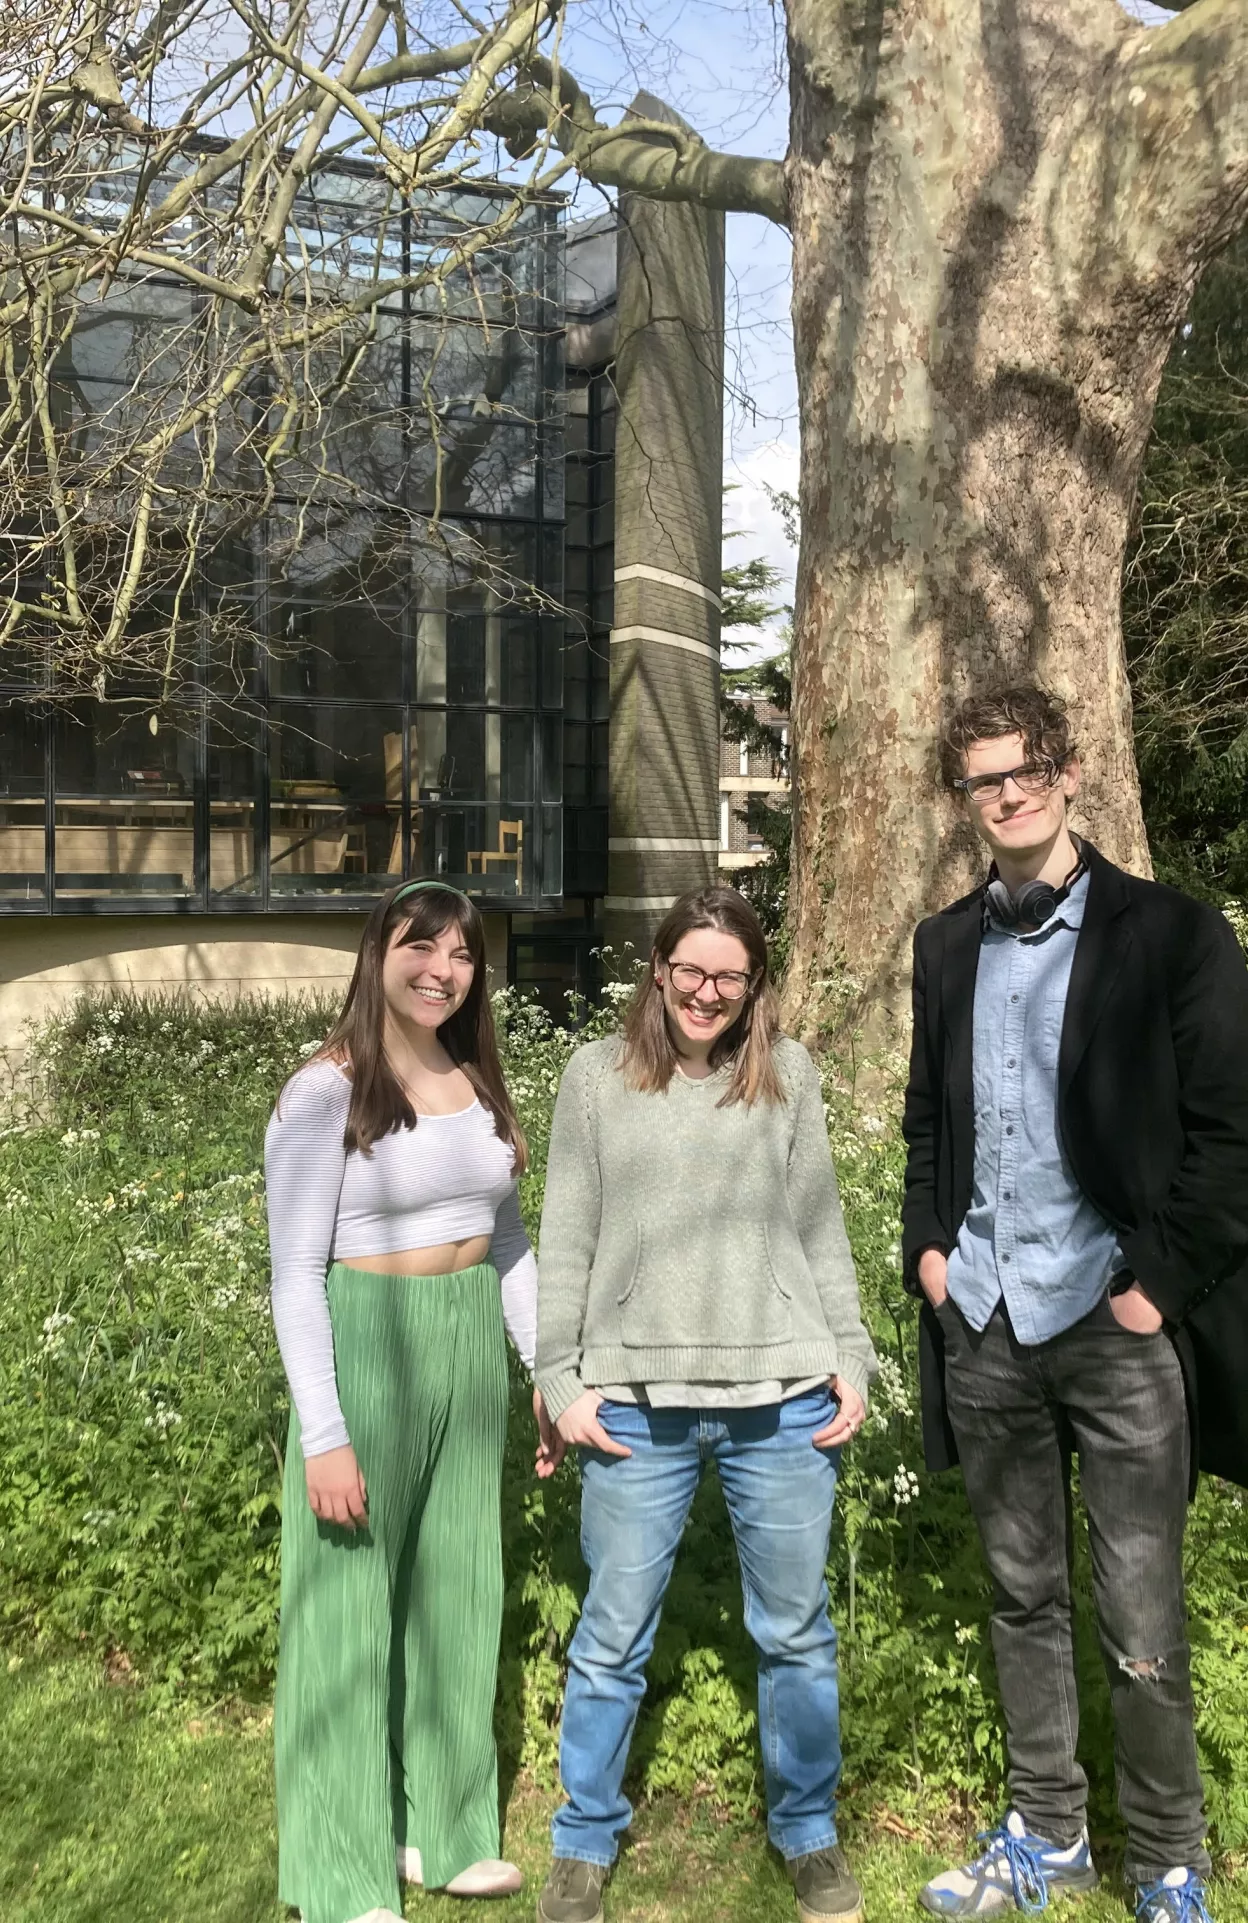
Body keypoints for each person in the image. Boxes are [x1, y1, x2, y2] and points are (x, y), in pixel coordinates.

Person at [901, 685, 1248, 1923]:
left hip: (1114, 1326)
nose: (1009, 792)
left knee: (1141, 1611)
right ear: (965, 800)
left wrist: (1156, 1290)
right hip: (986, 1321)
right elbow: (929, 1123)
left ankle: (1166, 1859)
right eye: (984, 779)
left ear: (1070, 770)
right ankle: (1046, 1833)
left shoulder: (1174, 935)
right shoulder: (945, 946)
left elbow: (1230, 1138)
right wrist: (931, 1256)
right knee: (1020, 1595)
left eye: (1027, 769)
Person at [533, 884, 878, 1923]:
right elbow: (567, 1236)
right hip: (636, 1402)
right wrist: (558, 1378)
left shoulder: (790, 1075)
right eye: (692, 968)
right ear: (658, 967)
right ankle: (585, 1840)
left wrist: (851, 1355)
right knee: (611, 1636)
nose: (709, 991)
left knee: (795, 1633)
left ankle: (808, 1833)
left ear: (753, 983)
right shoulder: (595, 1079)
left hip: (781, 1399)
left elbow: (819, 1229)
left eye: (730, 974)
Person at [265, 878, 559, 1923]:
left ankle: (445, 1828)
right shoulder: (325, 1088)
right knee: (346, 1613)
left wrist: (544, 1374)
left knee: (457, 1594)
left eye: (461, 955)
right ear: (376, 954)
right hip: (367, 1340)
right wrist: (327, 1436)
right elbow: (294, 1274)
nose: (441, 969)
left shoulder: (474, 1078)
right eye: (418, 947)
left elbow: (510, 1242)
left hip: (466, 1337)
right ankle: (341, 1869)